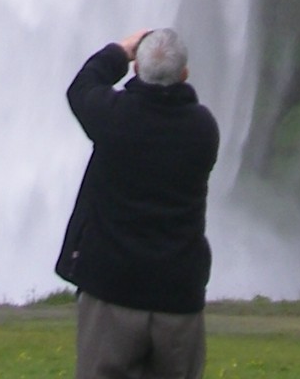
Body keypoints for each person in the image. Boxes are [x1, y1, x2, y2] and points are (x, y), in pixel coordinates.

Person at [57, 28, 220, 379]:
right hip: (177, 295)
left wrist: (120, 50)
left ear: (135, 71)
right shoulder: (203, 129)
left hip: (110, 290)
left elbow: (81, 87)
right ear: (184, 75)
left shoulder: (113, 118)